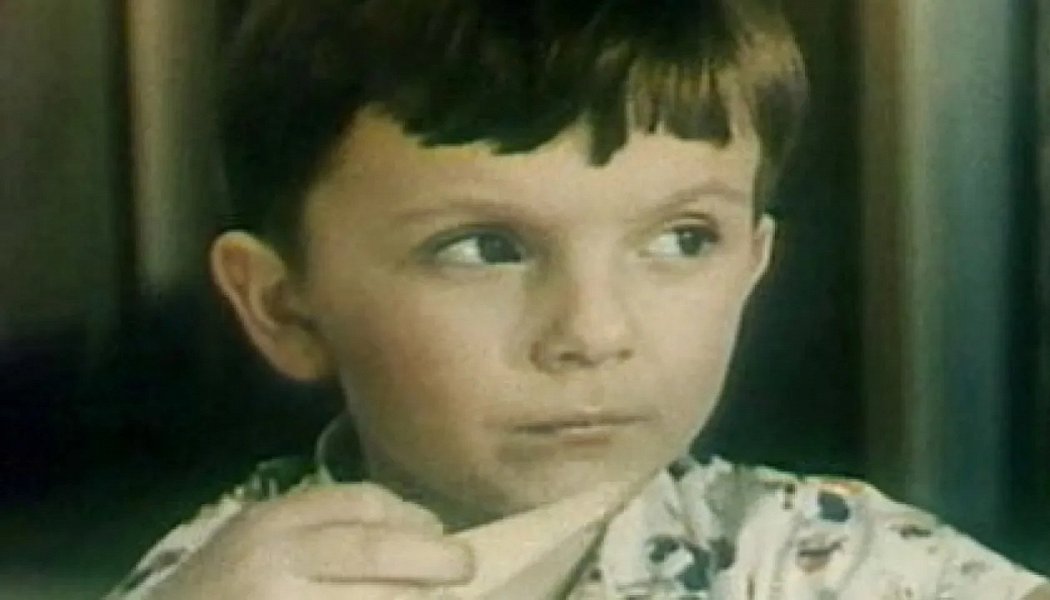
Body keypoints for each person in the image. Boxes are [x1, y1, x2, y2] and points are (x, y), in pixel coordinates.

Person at [105, 0, 1049, 598]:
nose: (595, 332)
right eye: (485, 248)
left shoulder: (833, 564)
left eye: (683, 239)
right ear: (286, 307)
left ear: (752, 265)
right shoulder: (223, 581)